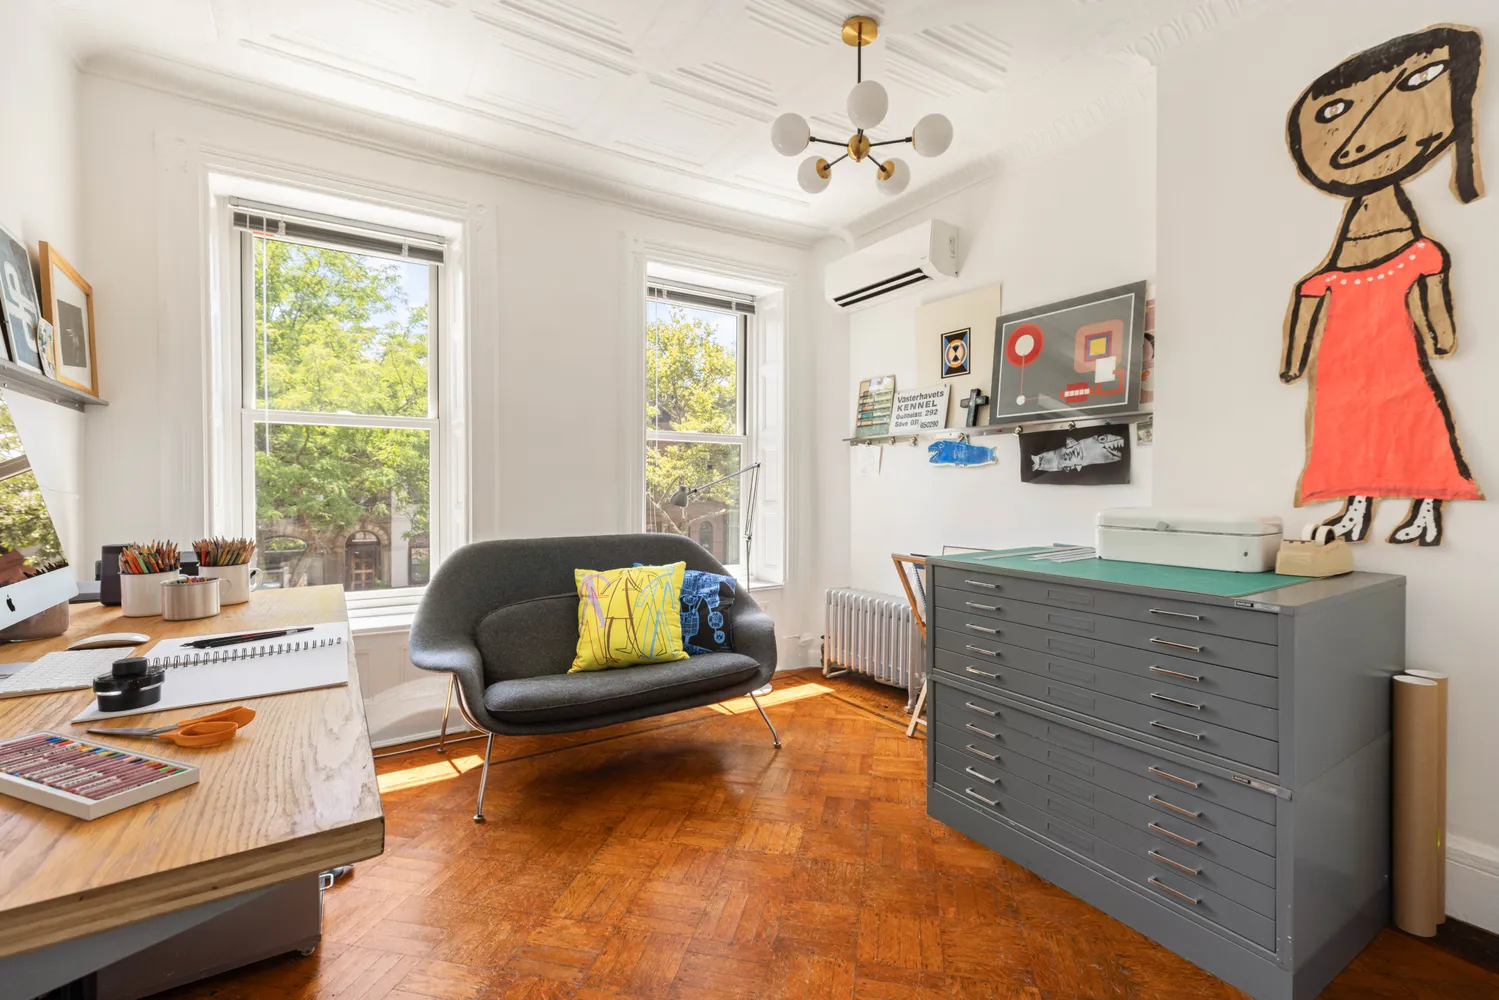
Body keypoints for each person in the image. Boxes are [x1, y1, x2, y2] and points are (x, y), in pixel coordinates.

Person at [1282, 24, 1484, 546]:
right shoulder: (1342, 272)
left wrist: (1440, 336)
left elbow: (1434, 291)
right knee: (1345, 431)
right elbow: (1306, 301)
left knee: (1415, 421)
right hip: (1342, 371)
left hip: (1396, 358)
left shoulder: (1415, 253)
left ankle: (1426, 506)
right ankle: (1356, 506)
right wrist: (1294, 361)